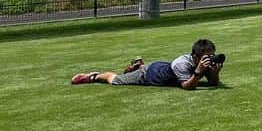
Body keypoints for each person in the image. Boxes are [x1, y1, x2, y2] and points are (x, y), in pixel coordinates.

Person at [71, 38, 224, 91]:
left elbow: (213, 83)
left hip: (163, 68)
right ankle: (93, 76)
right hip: (149, 74)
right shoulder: (182, 64)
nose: (210, 59)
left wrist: (215, 73)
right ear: (195, 57)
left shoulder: (205, 63)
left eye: (212, 55)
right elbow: (187, 87)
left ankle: (137, 65)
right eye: (206, 56)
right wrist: (198, 72)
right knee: (116, 80)